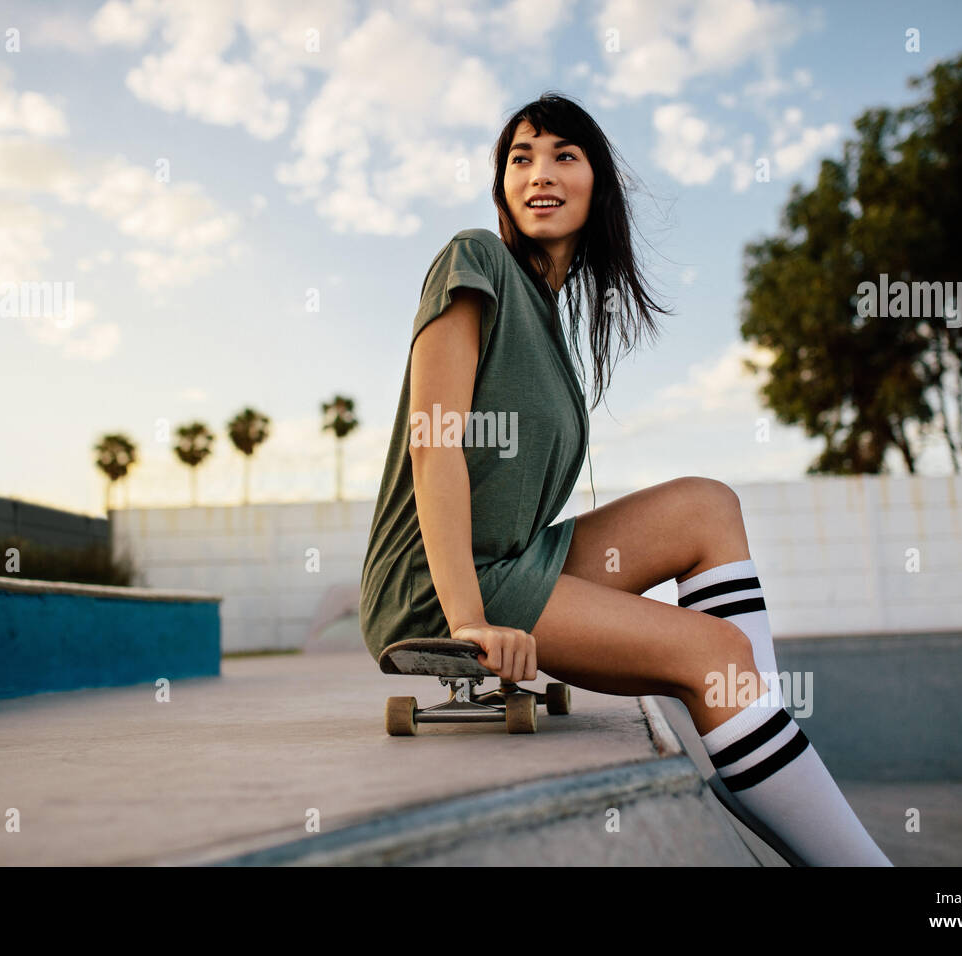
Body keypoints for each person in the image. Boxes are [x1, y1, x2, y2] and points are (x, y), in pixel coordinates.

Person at [359, 92, 891, 866]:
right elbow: (434, 444)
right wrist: (467, 621)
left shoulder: (545, 314)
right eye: (520, 157)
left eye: (563, 155)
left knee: (708, 507)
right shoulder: (473, 259)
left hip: (511, 562)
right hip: (443, 583)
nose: (539, 173)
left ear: (596, 183)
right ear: (501, 186)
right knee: (714, 654)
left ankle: (756, 737)